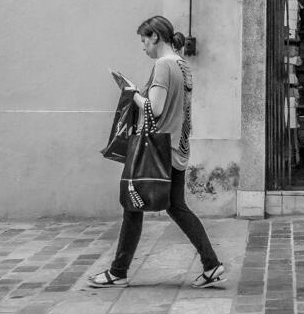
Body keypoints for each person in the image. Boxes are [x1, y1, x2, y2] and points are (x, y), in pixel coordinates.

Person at [88, 16, 225, 289]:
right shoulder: (183, 65)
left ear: (155, 37)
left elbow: (155, 109)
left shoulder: (163, 65)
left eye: (143, 40)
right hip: (176, 147)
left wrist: (130, 91)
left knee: (133, 204)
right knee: (176, 207)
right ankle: (211, 264)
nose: (143, 47)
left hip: (157, 149)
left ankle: (118, 272)